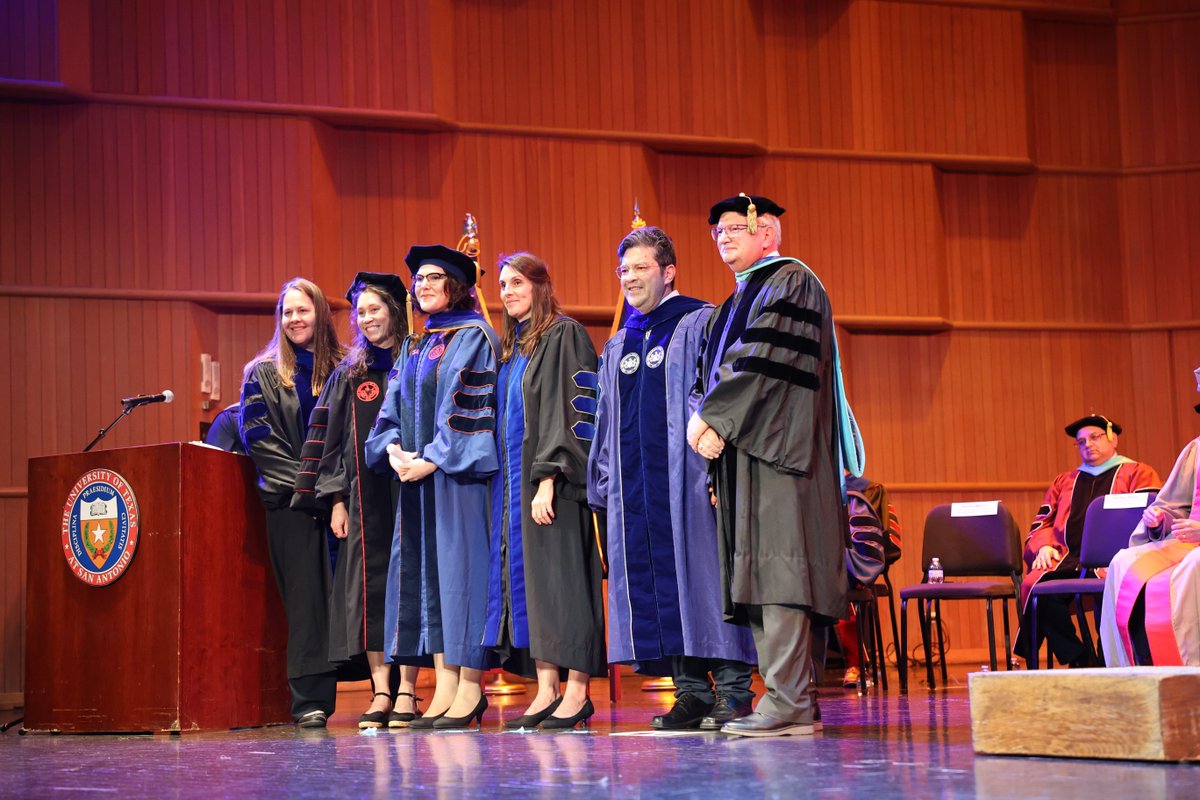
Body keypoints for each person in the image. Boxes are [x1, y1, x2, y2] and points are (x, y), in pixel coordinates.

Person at [689, 193, 862, 737]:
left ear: (767, 234)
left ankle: (788, 701)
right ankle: (791, 700)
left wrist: (712, 419)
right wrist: (710, 431)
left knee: (781, 570)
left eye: (735, 227)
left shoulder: (791, 283)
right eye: (718, 231)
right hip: (747, 454)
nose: (724, 236)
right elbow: (713, 374)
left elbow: (766, 365)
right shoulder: (732, 302)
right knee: (758, 574)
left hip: (781, 454)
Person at [588, 226, 757, 731]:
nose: (630, 278)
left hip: (691, 483)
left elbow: (722, 397)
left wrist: (719, 472)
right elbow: (604, 418)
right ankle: (691, 693)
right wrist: (604, 480)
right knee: (661, 585)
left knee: (704, 580)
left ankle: (734, 691)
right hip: (637, 491)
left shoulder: (701, 322)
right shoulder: (620, 343)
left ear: (669, 272)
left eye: (641, 268)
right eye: (624, 270)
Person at [364, 245, 499, 731]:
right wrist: (394, 451)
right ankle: (444, 683)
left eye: (434, 277)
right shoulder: (415, 344)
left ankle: (470, 686)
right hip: (417, 480)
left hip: (458, 479)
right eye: (418, 279)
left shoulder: (475, 336)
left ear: (456, 286)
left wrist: (433, 459)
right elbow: (390, 409)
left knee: (461, 576)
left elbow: (470, 408)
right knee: (429, 580)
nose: (422, 285)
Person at [292, 272, 423, 729]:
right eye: (360, 312)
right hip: (364, 502)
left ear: (394, 310)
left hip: (413, 490)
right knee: (370, 590)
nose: (366, 319)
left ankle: (408, 689)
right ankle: (381, 690)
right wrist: (335, 500)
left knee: (411, 583)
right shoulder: (351, 374)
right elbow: (328, 444)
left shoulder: (418, 360)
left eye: (374, 309)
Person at [482, 252, 606, 730]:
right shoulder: (514, 349)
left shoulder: (564, 335)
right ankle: (547, 687)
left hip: (559, 484)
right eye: (503, 285)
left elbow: (572, 409)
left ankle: (577, 691)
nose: (508, 292)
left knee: (564, 585)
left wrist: (549, 477)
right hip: (518, 490)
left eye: (517, 282)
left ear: (540, 286)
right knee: (536, 590)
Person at [240, 277, 345, 728]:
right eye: (288, 312)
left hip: (342, 502)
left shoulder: (345, 368)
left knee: (351, 596)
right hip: (292, 504)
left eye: (303, 310)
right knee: (305, 604)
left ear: (320, 314)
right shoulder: (262, 373)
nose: (295, 319)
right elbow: (260, 440)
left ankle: (382, 688)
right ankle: (309, 701)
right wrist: (312, 489)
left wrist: (338, 490)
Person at [1014, 415, 1160, 668]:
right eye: (1081, 441)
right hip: (1066, 558)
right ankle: (1079, 659)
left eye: (1095, 437)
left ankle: (1112, 662)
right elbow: (1043, 522)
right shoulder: (1064, 481)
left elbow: (1149, 517)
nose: (1088, 445)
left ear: (1113, 439)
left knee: (1112, 590)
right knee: (1036, 587)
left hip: (1113, 559)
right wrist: (1043, 546)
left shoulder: (1137, 473)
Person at [1100, 369, 1200, 666]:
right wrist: (1160, 518)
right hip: (1186, 541)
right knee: (1122, 562)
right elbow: (1176, 505)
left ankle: (1190, 672)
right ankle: (1132, 671)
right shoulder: (1196, 449)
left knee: (1193, 566)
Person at [836, 475, 902, 688]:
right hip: (820, 569)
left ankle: (857, 663)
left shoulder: (870, 490)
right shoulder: (811, 488)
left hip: (855, 568)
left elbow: (879, 546)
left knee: (844, 585)